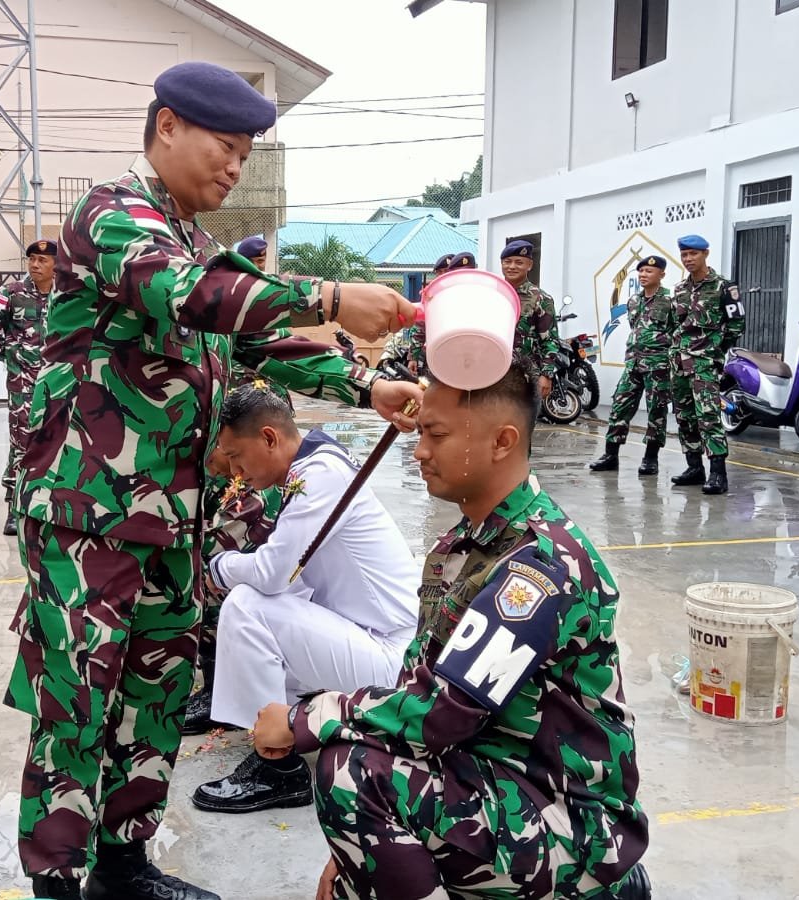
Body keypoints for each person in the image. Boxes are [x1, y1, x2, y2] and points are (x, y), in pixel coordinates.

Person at [5, 61, 421, 900]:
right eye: (223, 147)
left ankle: (124, 865)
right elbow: (198, 299)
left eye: (244, 153)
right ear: (166, 128)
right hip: (91, 517)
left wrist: (369, 387)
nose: (234, 167)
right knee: (78, 704)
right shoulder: (112, 217)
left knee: (154, 700)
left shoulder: (198, 244)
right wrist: (332, 296)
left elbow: (257, 345)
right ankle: (57, 881)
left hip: (170, 522)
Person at [249, 364, 650, 900]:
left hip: (572, 822)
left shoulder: (539, 566)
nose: (419, 452)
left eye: (436, 435)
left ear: (502, 441)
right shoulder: (461, 548)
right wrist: (351, 855)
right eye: (420, 435)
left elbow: (443, 712)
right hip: (504, 775)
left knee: (349, 770)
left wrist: (304, 718)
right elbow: (413, 688)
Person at [189, 385, 419, 815]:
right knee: (258, 612)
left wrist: (218, 568)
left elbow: (273, 574)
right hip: (371, 639)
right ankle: (280, 723)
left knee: (246, 604)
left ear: (270, 438)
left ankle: (277, 768)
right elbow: (291, 581)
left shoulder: (319, 475)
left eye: (237, 456)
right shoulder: (313, 468)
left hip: (392, 658)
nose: (235, 471)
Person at [181, 438, 286, 736]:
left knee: (205, 570)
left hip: (248, 473)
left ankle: (223, 691)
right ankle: (218, 683)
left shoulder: (253, 481)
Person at [0, 239, 56, 536]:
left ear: (56, 264)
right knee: (22, 441)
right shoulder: (11, 293)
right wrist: (17, 361)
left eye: (43, 260)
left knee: (55, 441)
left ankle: (48, 506)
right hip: (23, 383)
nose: (36, 265)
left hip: (57, 381)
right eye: (32, 259)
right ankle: (14, 508)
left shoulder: (66, 295)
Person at [668, 234, 745, 495]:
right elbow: (674, 325)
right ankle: (694, 467)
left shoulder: (724, 286)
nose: (688, 259)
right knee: (684, 417)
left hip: (704, 362)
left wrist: (716, 352)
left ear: (706, 254)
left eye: (694, 254)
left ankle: (718, 473)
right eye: (685, 254)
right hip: (679, 362)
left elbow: (736, 324)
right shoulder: (679, 289)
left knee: (709, 417)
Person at [589, 255, 676, 475]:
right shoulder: (634, 301)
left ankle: (650, 458)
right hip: (633, 364)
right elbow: (634, 327)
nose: (644, 275)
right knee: (620, 407)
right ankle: (611, 455)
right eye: (642, 271)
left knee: (656, 411)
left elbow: (676, 333)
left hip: (658, 366)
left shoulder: (670, 302)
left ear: (662, 275)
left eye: (649, 271)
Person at [499, 240, 564, 400]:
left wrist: (546, 375)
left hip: (525, 376)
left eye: (519, 262)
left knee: (520, 423)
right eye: (507, 262)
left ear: (529, 265)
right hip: (492, 372)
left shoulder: (541, 298)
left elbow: (549, 340)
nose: (512, 266)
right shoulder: (492, 293)